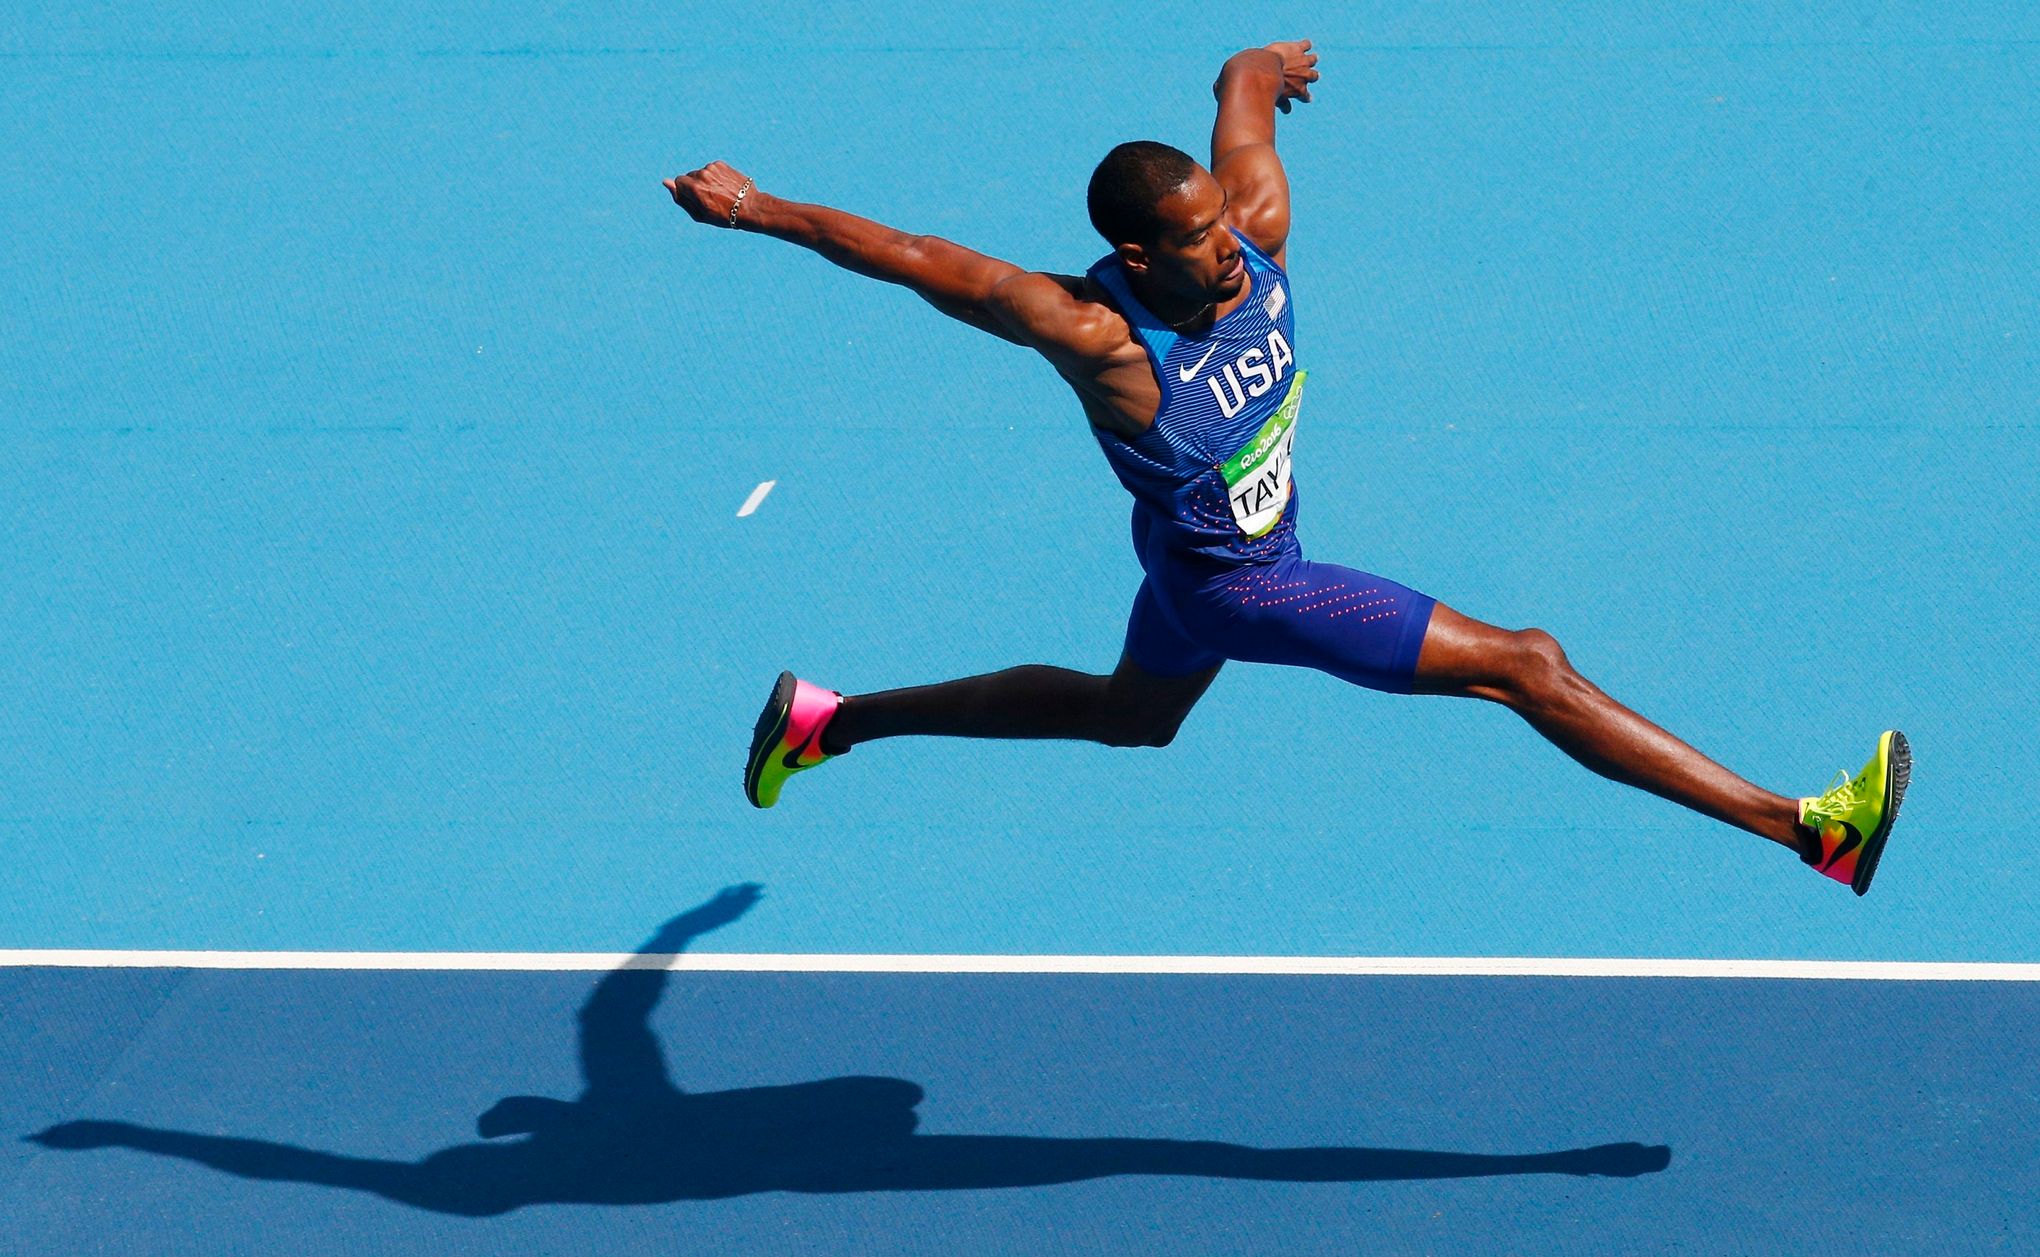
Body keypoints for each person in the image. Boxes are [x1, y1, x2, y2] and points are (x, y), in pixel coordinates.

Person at [666, 40, 1907, 894]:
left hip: (1185, 564)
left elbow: (1240, 85)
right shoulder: (1102, 341)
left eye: (1220, 219)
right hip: (1240, 585)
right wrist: (758, 207)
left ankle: (833, 724)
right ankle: (1810, 832)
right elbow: (918, 255)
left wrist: (1269, 63)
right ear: (1136, 256)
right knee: (1528, 665)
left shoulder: (1252, 229)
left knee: (1128, 720)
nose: (1228, 248)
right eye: (1196, 238)